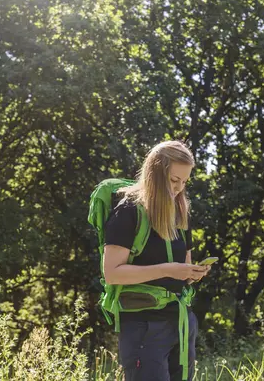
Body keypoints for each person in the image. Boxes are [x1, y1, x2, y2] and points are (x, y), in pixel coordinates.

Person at [103, 140, 211, 381]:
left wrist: (192, 273)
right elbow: (112, 273)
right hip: (144, 326)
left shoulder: (180, 213)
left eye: (184, 182)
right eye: (174, 180)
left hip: (181, 322)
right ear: (155, 173)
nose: (179, 189)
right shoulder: (128, 211)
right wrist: (168, 270)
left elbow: (183, 268)